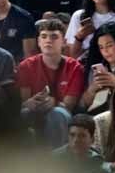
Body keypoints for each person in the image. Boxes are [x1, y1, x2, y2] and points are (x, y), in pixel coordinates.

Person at [17, 16, 85, 146]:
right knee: (23, 113)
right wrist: (29, 103)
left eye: (54, 37)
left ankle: (56, 160)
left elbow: (68, 105)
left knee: (57, 113)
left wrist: (53, 103)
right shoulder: (26, 66)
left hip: (61, 112)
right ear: (38, 41)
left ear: (64, 42)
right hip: (35, 110)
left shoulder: (75, 67)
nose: (48, 40)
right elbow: (24, 100)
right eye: (44, 36)